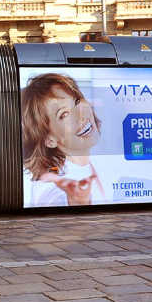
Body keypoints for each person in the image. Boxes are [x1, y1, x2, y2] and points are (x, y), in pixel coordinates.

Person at [21, 72, 106, 206]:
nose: (81, 114)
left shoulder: (100, 163)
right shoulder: (49, 182)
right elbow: (51, 199)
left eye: (77, 101)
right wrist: (78, 202)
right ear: (49, 140)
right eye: (64, 114)